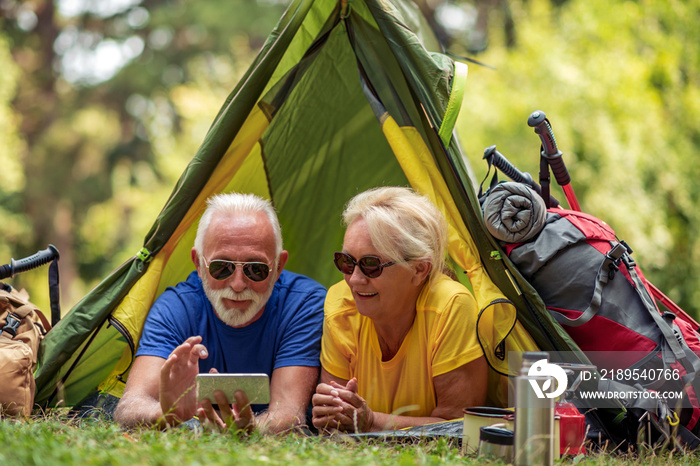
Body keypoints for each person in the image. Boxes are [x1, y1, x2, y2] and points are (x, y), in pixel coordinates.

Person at [113, 193, 326, 434]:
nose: (237, 284)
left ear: (278, 267)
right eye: (221, 267)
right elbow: (129, 406)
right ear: (198, 264)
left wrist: (245, 430)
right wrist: (167, 413)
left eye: (255, 270)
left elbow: (288, 415)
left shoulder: (304, 304)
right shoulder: (175, 308)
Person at [311, 186, 488, 433]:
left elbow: (459, 426)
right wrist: (331, 414)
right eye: (346, 262)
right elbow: (336, 423)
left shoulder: (450, 306)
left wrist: (372, 422)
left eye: (371, 265)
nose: (354, 280)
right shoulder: (339, 304)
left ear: (419, 270)